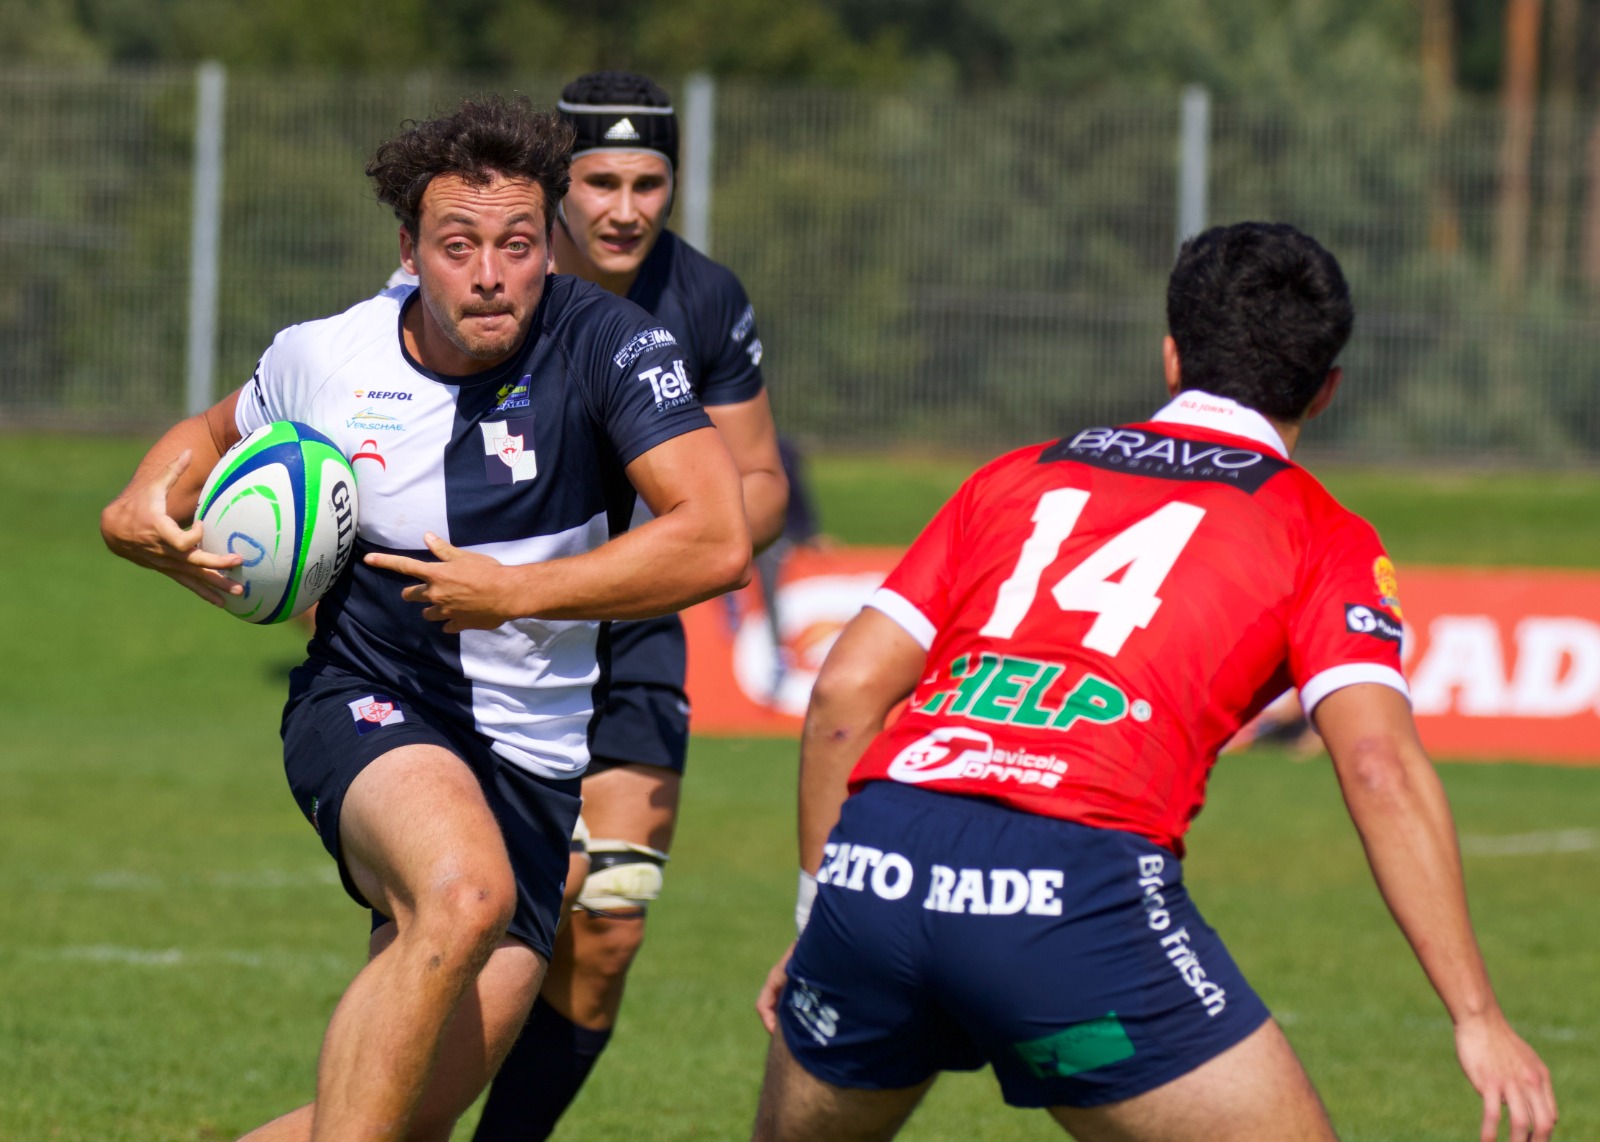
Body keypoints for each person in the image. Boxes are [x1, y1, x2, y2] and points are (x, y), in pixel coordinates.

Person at [751, 223, 1558, 1142]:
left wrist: (823, 912)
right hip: (1066, 906)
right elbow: (1377, 762)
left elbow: (846, 692)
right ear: (1327, 389)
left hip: (878, 878)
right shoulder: (1320, 533)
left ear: (1172, 354)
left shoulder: (1016, 477)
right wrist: (1477, 1016)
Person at [100, 94, 751, 1141]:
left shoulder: (610, 346)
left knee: (392, 1118)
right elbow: (212, 429)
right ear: (410, 249)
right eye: (458, 245)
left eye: (518, 243)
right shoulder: (330, 357)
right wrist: (137, 500)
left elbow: (717, 536)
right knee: (458, 891)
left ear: (552, 245)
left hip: (535, 767)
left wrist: (517, 591)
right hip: (370, 703)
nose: (490, 273)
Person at [461, 72, 787, 1142]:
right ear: (559, 185)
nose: (623, 207)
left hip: (634, 634)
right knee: (502, 913)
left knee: (607, 924)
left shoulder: (706, 298)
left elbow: (762, 483)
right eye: (598, 180)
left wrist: (688, 534)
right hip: (489, 633)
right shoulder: (492, 284)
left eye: (648, 182)